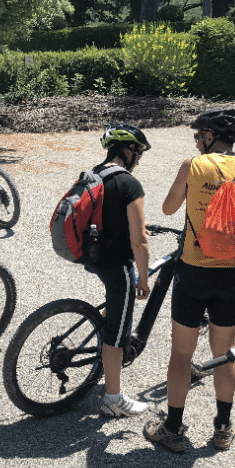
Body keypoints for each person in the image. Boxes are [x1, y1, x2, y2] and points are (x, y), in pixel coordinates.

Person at [144, 108, 235, 453]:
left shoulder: (193, 166)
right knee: (224, 352)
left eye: (199, 135)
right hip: (232, 273)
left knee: (182, 353)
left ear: (210, 136)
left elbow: (169, 209)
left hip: (194, 269)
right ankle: (223, 428)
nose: (197, 141)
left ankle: (172, 428)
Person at [84, 124, 152, 417]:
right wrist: (143, 279)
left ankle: (106, 330)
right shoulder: (129, 184)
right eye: (138, 154)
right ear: (129, 151)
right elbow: (139, 240)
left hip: (92, 256)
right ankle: (113, 400)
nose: (139, 160)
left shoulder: (93, 174)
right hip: (117, 266)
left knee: (114, 314)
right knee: (117, 334)